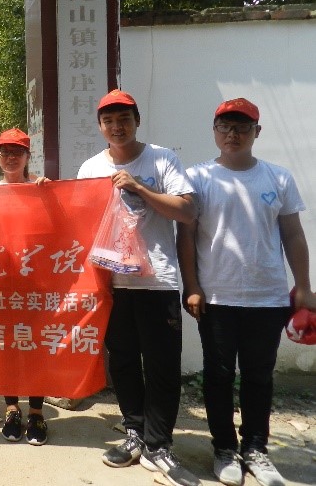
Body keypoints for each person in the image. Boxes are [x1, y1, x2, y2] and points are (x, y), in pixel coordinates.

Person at [177, 98, 316, 486]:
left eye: (241, 127)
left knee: (259, 376)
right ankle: (224, 449)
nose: (232, 134)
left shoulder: (278, 178)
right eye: (225, 126)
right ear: (214, 131)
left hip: (267, 297)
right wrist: (192, 286)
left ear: (257, 132)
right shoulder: (197, 178)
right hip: (217, 298)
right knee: (218, 376)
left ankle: (256, 449)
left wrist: (303, 286)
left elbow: (293, 235)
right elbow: (185, 236)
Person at [77, 89, 200, 486]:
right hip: (111, 283)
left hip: (156, 281)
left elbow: (188, 210)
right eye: (109, 121)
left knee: (162, 365)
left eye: (124, 119)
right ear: (100, 126)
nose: (117, 126)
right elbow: (77, 220)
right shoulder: (90, 168)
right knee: (124, 362)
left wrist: (140, 188)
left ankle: (159, 444)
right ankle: (134, 432)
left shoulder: (161, 159)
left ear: (137, 121)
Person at [0, 128, 49, 445]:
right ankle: (11, 409)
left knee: (35, 346)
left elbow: (57, 228)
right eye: (5, 151)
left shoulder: (39, 189)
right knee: (6, 347)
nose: (10, 157)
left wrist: (51, 196)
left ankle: (36, 412)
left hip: (33, 282)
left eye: (17, 151)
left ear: (27, 156)